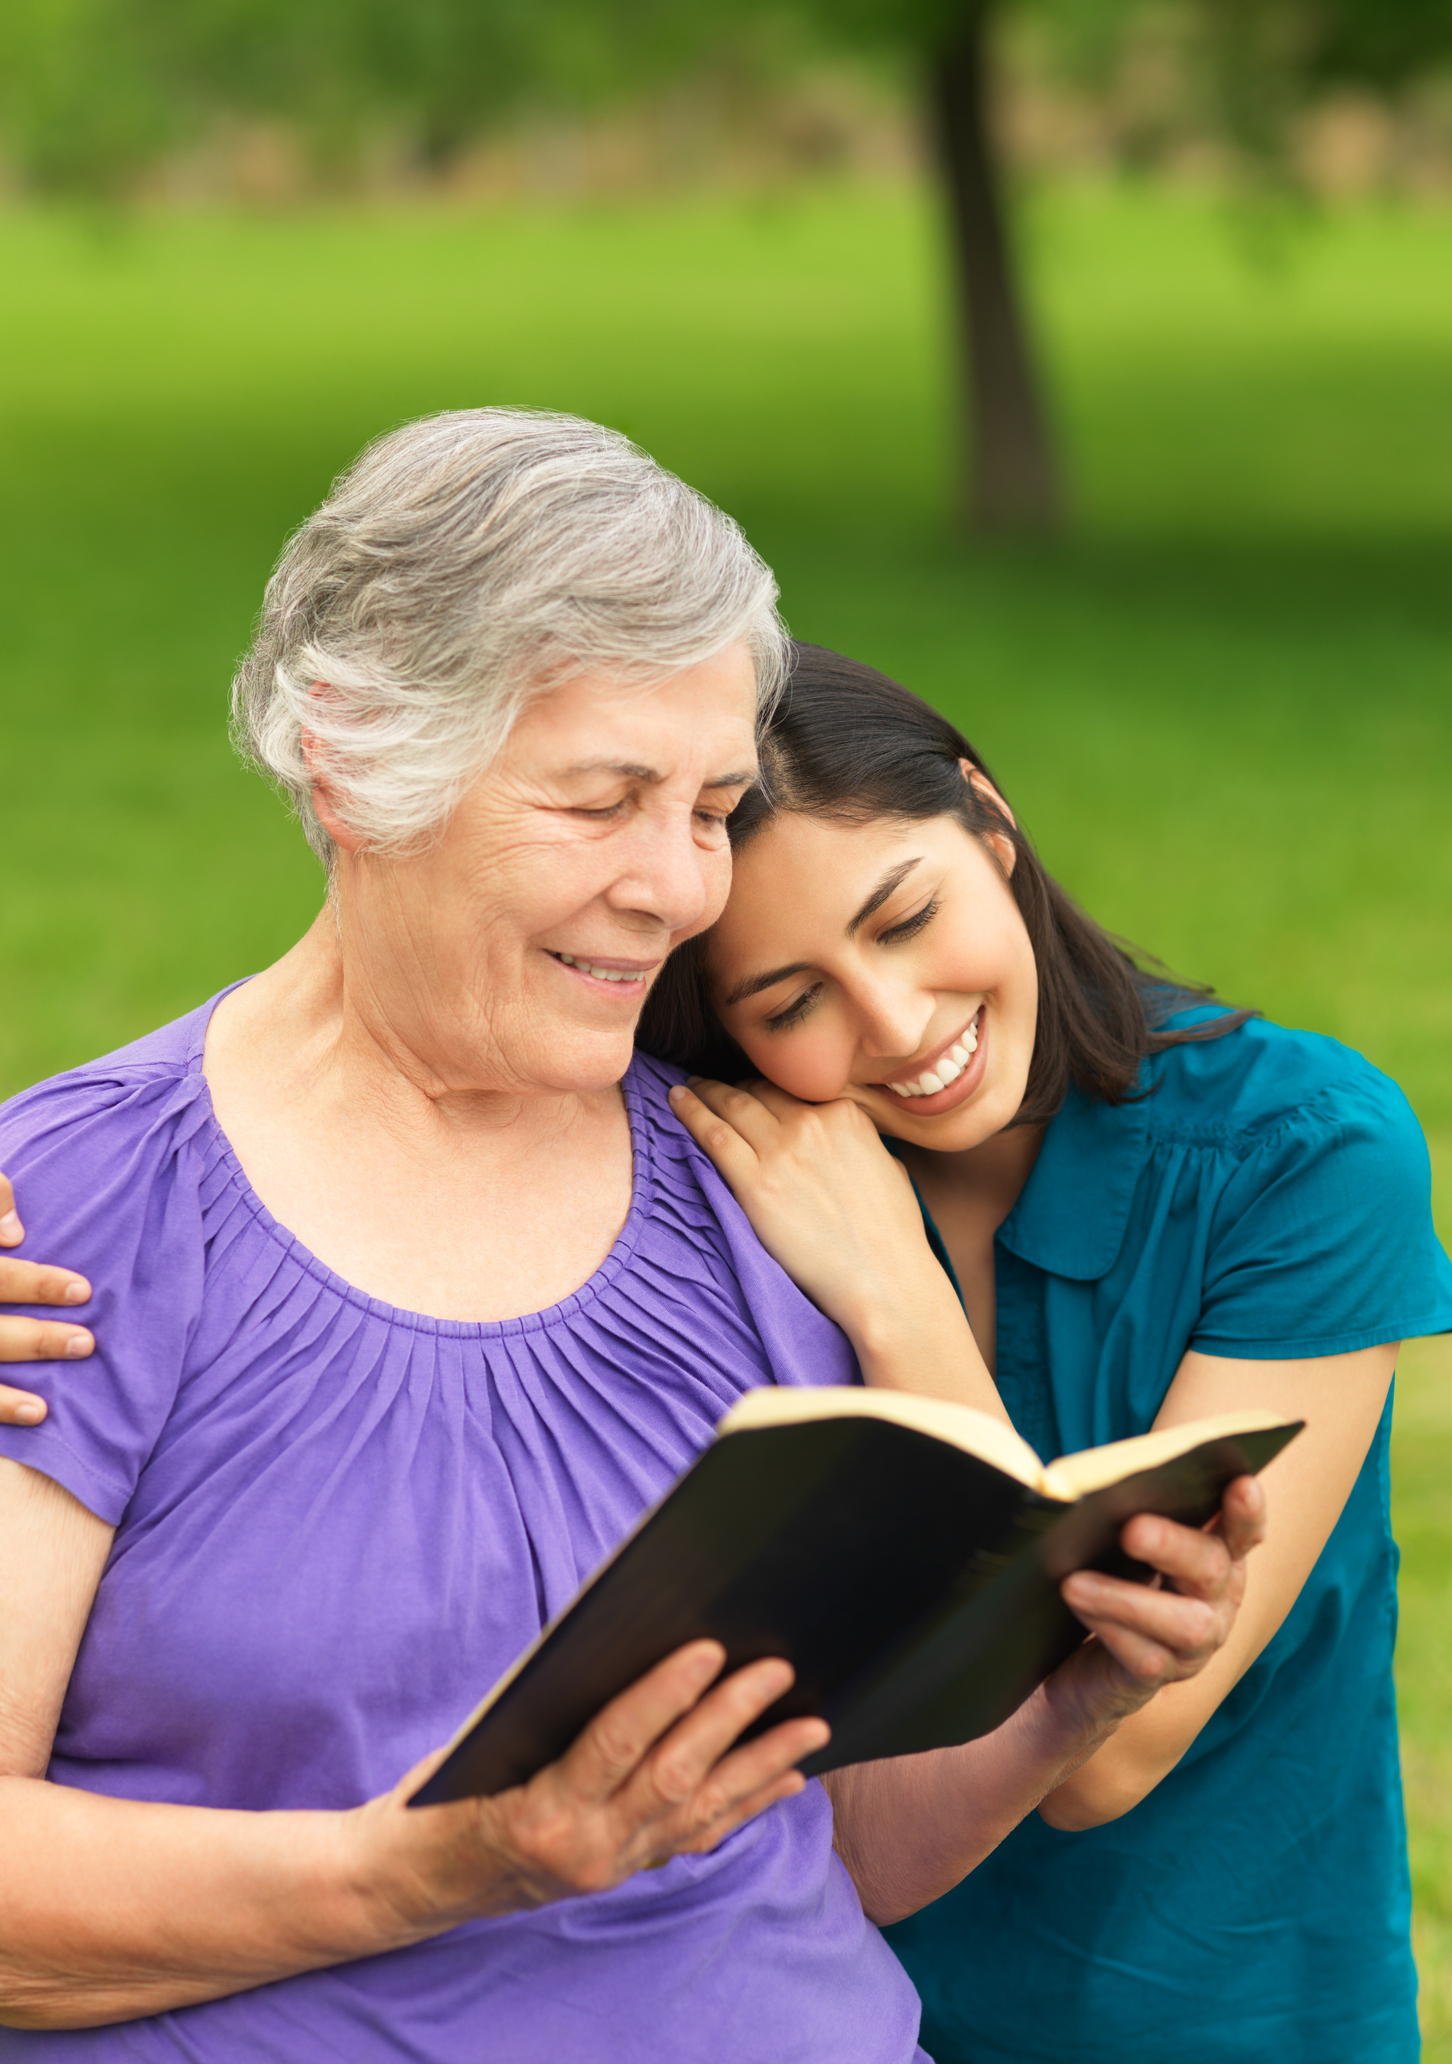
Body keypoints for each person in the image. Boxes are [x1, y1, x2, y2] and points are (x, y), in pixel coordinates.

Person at [0, 414, 1258, 2061]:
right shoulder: (81, 1211)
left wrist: (1074, 1694)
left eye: (714, 808)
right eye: (605, 803)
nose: (680, 891)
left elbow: (843, 1848)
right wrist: (440, 1869)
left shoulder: (759, 1177)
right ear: (356, 758)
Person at [637, 643, 1452, 2064]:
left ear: (989, 821)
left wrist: (898, 1298)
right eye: (791, 1004)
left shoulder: (1302, 1155)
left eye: (904, 919)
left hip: (1227, 2021)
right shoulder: (722, 1181)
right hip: (821, 2011)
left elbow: (1115, 1753)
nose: (895, 1026)